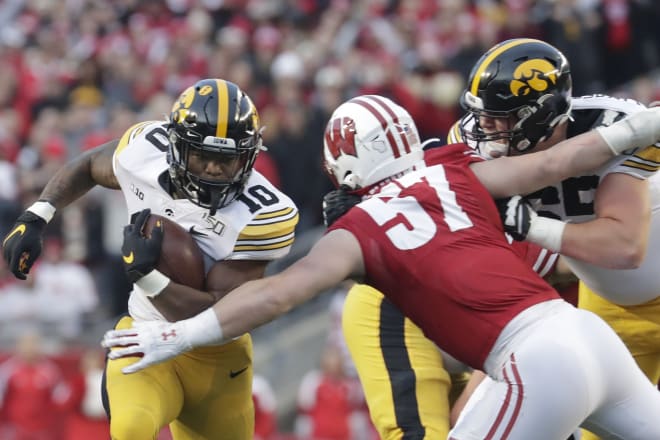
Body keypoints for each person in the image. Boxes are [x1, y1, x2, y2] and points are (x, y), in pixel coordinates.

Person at [102, 94, 660, 438]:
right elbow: (563, 159)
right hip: (588, 332)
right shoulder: (457, 168)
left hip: (535, 362)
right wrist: (642, 126)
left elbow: (276, 296)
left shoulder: (358, 235)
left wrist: (181, 334)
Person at [2, 78, 299, 439]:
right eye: (202, 156)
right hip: (143, 330)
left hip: (215, 357)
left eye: (227, 160)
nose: (214, 170)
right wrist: (38, 214)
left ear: (249, 155)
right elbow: (89, 165)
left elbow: (218, 314)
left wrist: (149, 277)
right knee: (131, 429)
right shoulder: (144, 151)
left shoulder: (264, 215)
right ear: (175, 146)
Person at [448, 38, 660, 439]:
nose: (484, 129)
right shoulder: (472, 142)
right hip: (610, 308)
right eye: (482, 117)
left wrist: (531, 227)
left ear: (540, 113)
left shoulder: (616, 124)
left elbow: (625, 248)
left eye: (499, 118)